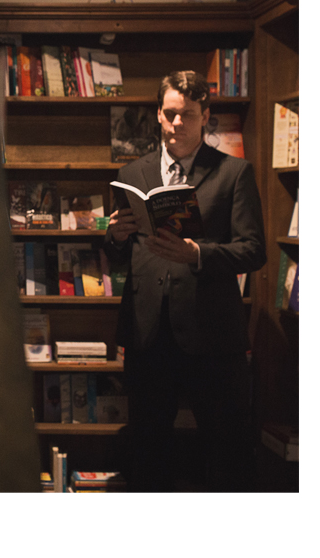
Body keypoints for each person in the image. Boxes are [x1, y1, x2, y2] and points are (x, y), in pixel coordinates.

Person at [104, 71, 265, 492]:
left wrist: (198, 254)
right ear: (158, 113)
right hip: (148, 333)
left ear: (205, 117)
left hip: (211, 336)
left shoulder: (233, 172)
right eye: (170, 114)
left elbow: (253, 250)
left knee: (223, 450)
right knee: (148, 446)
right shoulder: (132, 172)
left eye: (188, 116)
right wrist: (114, 237)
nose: (177, 124)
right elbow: (122, 252)